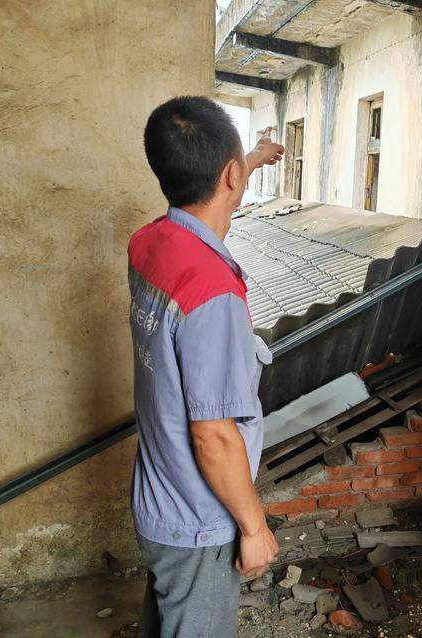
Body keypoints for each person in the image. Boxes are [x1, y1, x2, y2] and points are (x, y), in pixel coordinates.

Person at [127, 96, 284, 637]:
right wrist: (254, 526)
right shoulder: (213, 294)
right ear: (230, 176)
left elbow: (206, 213)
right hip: (198, 521)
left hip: (158, 501)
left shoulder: (149, 245)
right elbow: (214, 436)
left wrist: (250, 159)